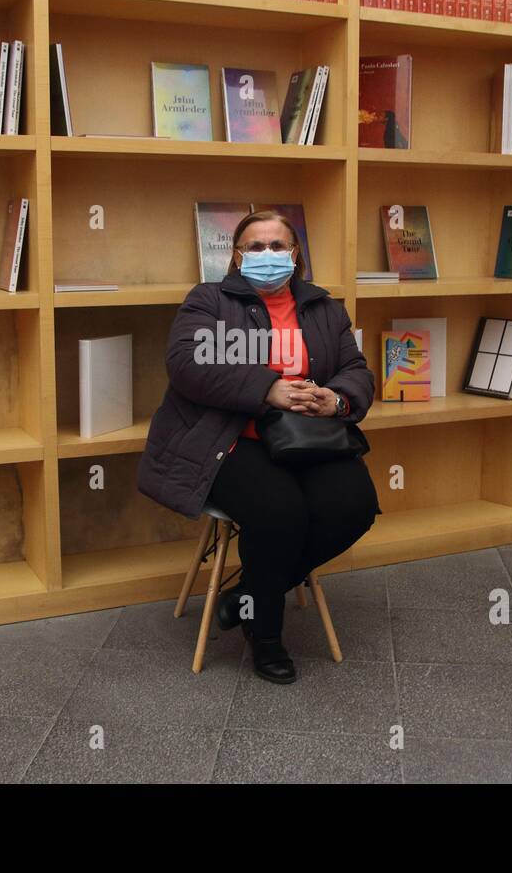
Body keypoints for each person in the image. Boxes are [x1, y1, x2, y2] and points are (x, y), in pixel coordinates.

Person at [138, 209, 380, 684]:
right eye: (254, 246)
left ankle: (245, 595)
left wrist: (335, 398)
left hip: (308, 437)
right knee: (279, 512)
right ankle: (265, 634)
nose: (266, 255)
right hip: (228, 438)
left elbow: (357, 368)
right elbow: (187, 363)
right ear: (236, 255)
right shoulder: (209, 300)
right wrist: (267, 387)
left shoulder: (324, 307)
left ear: (295, 254)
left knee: (355, 505)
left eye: (277, 246)